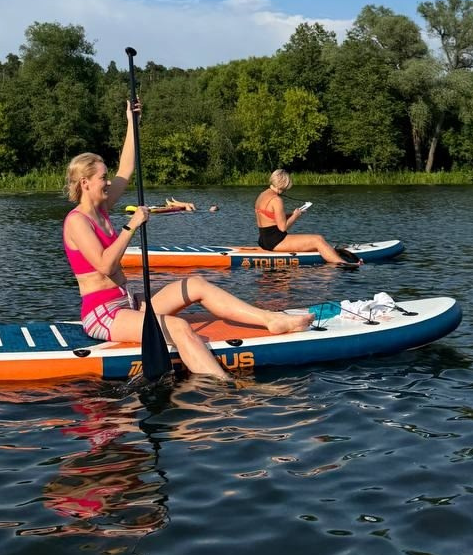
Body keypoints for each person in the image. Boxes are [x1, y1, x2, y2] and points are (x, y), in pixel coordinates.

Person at [64, 104, 313, 380]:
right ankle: (225, 388)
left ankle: (271, 320)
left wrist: (131, 122)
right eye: (102, 178)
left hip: (129, 303)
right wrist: (130, 226)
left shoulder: (101, 209)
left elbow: (127, 166)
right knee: (180, 327)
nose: (109, 182)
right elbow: (105, 265)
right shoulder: (77, 221)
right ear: (85, 183)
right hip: (103, 314)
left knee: (195, 284)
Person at [254, 169, 360, 266]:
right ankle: (343, 264)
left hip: (263, 240)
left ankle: (329, 252)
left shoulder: (262, 195)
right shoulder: (276, 200)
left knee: (318, 241)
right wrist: (296, 216)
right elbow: (283, 227)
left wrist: (292, 214)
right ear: (283, 183)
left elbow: (271, 218)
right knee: (317, 239)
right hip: (275, 241)